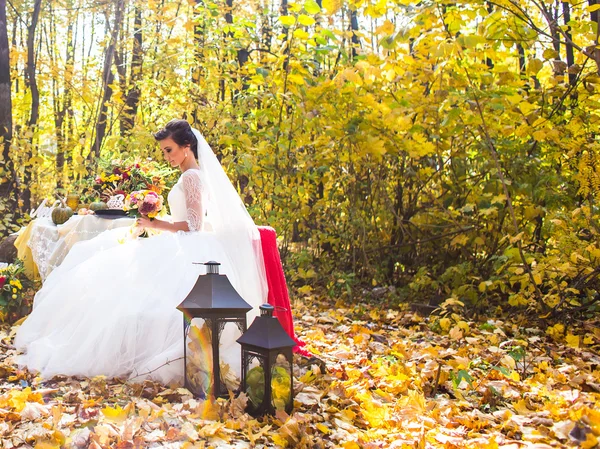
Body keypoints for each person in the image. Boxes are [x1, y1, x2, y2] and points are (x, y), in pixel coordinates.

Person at [14, 119, 268, 385]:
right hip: (183, 242)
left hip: (192, 247)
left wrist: (155, 224)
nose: (166, 156)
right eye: (163, 151)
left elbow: (194, 225)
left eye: (169, 150)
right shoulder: (189, 174)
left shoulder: (192, 176)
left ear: (187, 146)